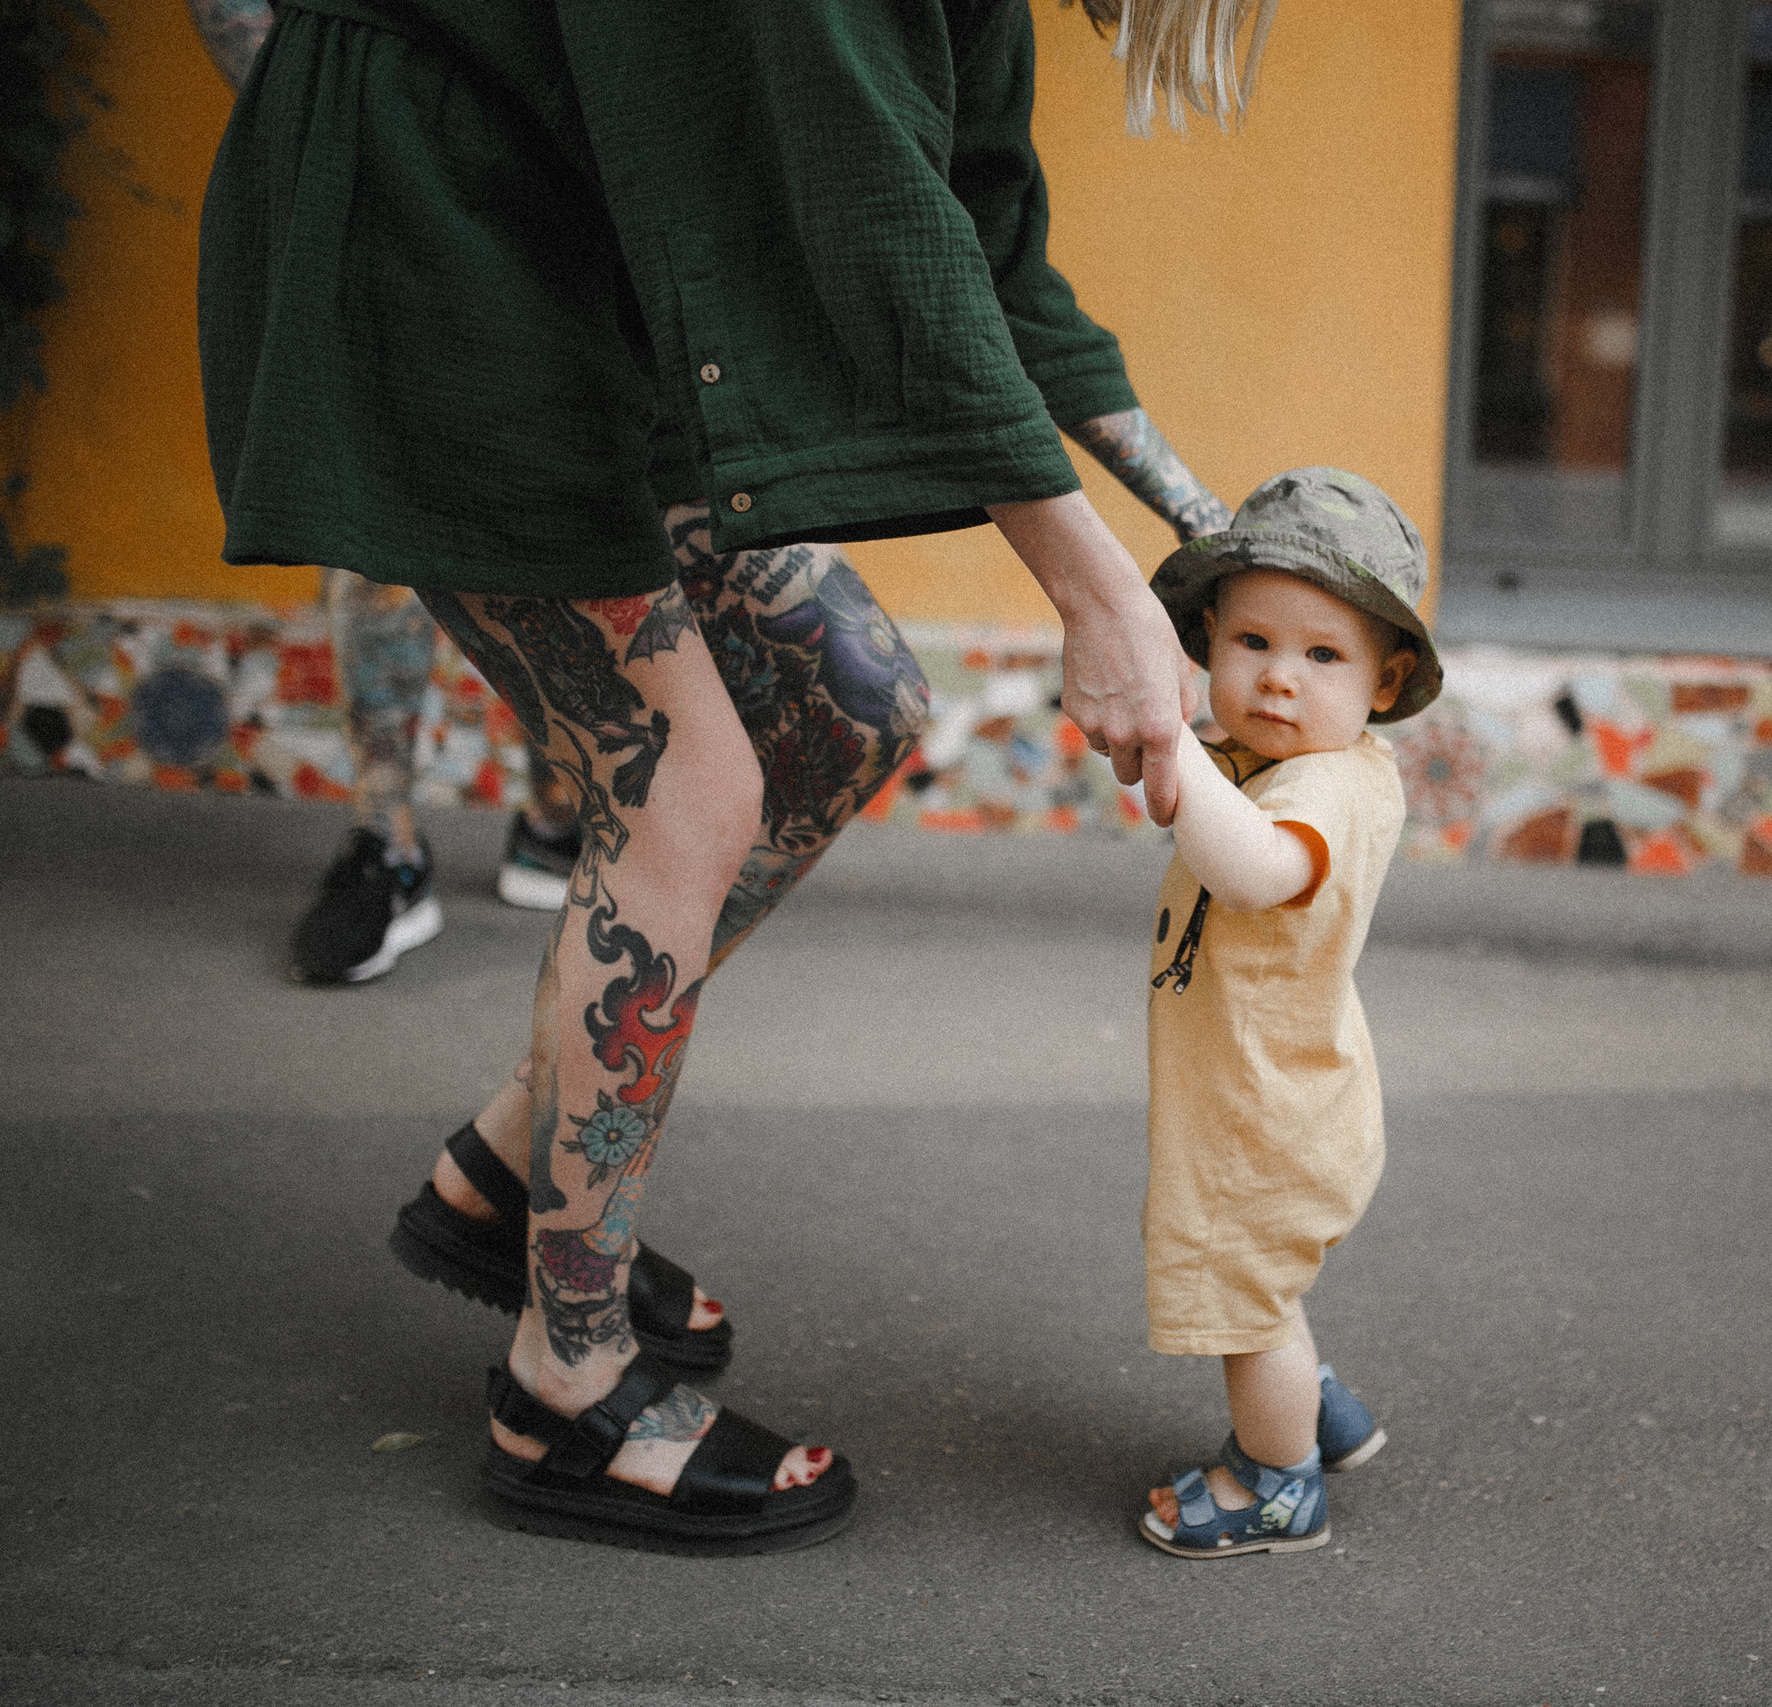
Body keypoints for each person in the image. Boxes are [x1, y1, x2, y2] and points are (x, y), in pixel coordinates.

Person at [198, 0, 1268, 1555]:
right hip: (435, 227)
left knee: (847, 699)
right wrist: (1098, 595)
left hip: (570, 244)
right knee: (688, 781)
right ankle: (565, 1380)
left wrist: (1210, 533)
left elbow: (980, 251)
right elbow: (874, 235)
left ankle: (512, 1174)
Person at [187, 3, 589, 983]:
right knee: (376, 493)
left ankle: (558, 816)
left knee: (570, 472)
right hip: (374, 154)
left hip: (555, 167)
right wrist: (329, 116)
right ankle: (387, 845)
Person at [1132, 469, 1439, 1557]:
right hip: (1278, 1095)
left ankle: (1277, 1480)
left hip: (1268, 1119)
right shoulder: (1280, 759)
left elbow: (1260, 871)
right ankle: (1320, 1412)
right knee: (1259, 1282)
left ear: (1385, 678)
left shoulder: (1324, 787)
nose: (1277, 680)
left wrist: (1169, 754)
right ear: (1209, 639)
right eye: (1252, 642)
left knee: (1242, 1300)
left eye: (1323, 657)